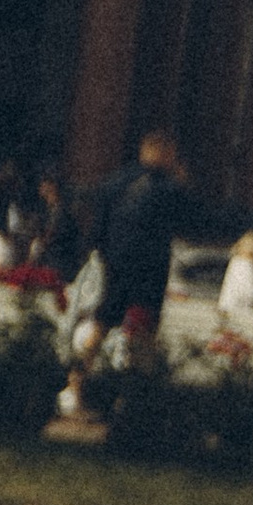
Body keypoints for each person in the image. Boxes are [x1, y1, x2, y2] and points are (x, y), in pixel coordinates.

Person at [91, 128, 193, 352]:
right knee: (145, 329)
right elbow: (188, 220)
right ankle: (136, 383)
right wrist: (182, 185)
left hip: (115, 265)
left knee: (102, 322)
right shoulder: (167, 188)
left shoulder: (114, 182)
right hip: (149, 270)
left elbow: (98, 226)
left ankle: (76, 381)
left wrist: (103, 253)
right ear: (164, 153)